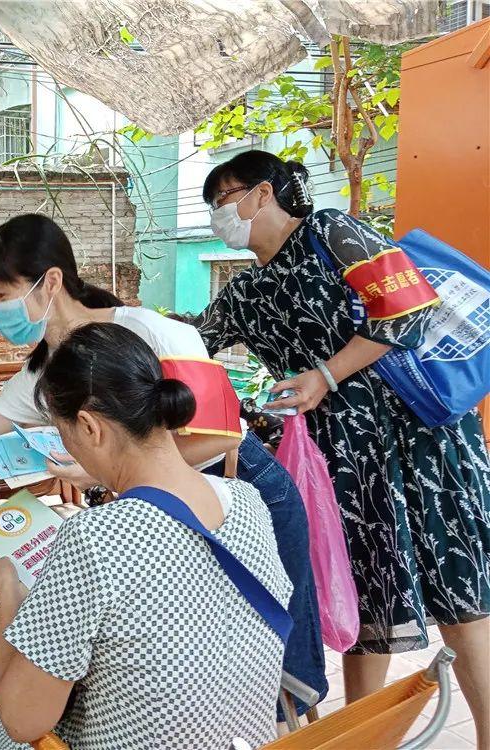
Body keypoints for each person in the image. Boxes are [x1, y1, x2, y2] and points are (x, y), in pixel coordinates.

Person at [0, 214, 326, 712]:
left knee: (270, 664)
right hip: (156, 513)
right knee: (201, 665)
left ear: (48, 282)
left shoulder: (153, 332)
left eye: (0, 295)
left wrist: (100, 472)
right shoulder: (41, 373)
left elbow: (220, 437)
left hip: (233, 496)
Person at [196, 149, 490, 748]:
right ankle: (365, 740)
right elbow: (190, 339)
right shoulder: (246, 291)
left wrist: (325, 376)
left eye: (224, 198)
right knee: (365, 598)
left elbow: (405, 305)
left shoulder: (330, 231)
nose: (217, 213)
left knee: (460, 593)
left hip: (416, 441)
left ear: (264, 193)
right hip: (337, 463)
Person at [0, 322, 291, 749]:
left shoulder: (95, 539)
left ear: (88, 427)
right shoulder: (248, 502)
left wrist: (8, 591)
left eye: (59, 433)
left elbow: (22, 719)